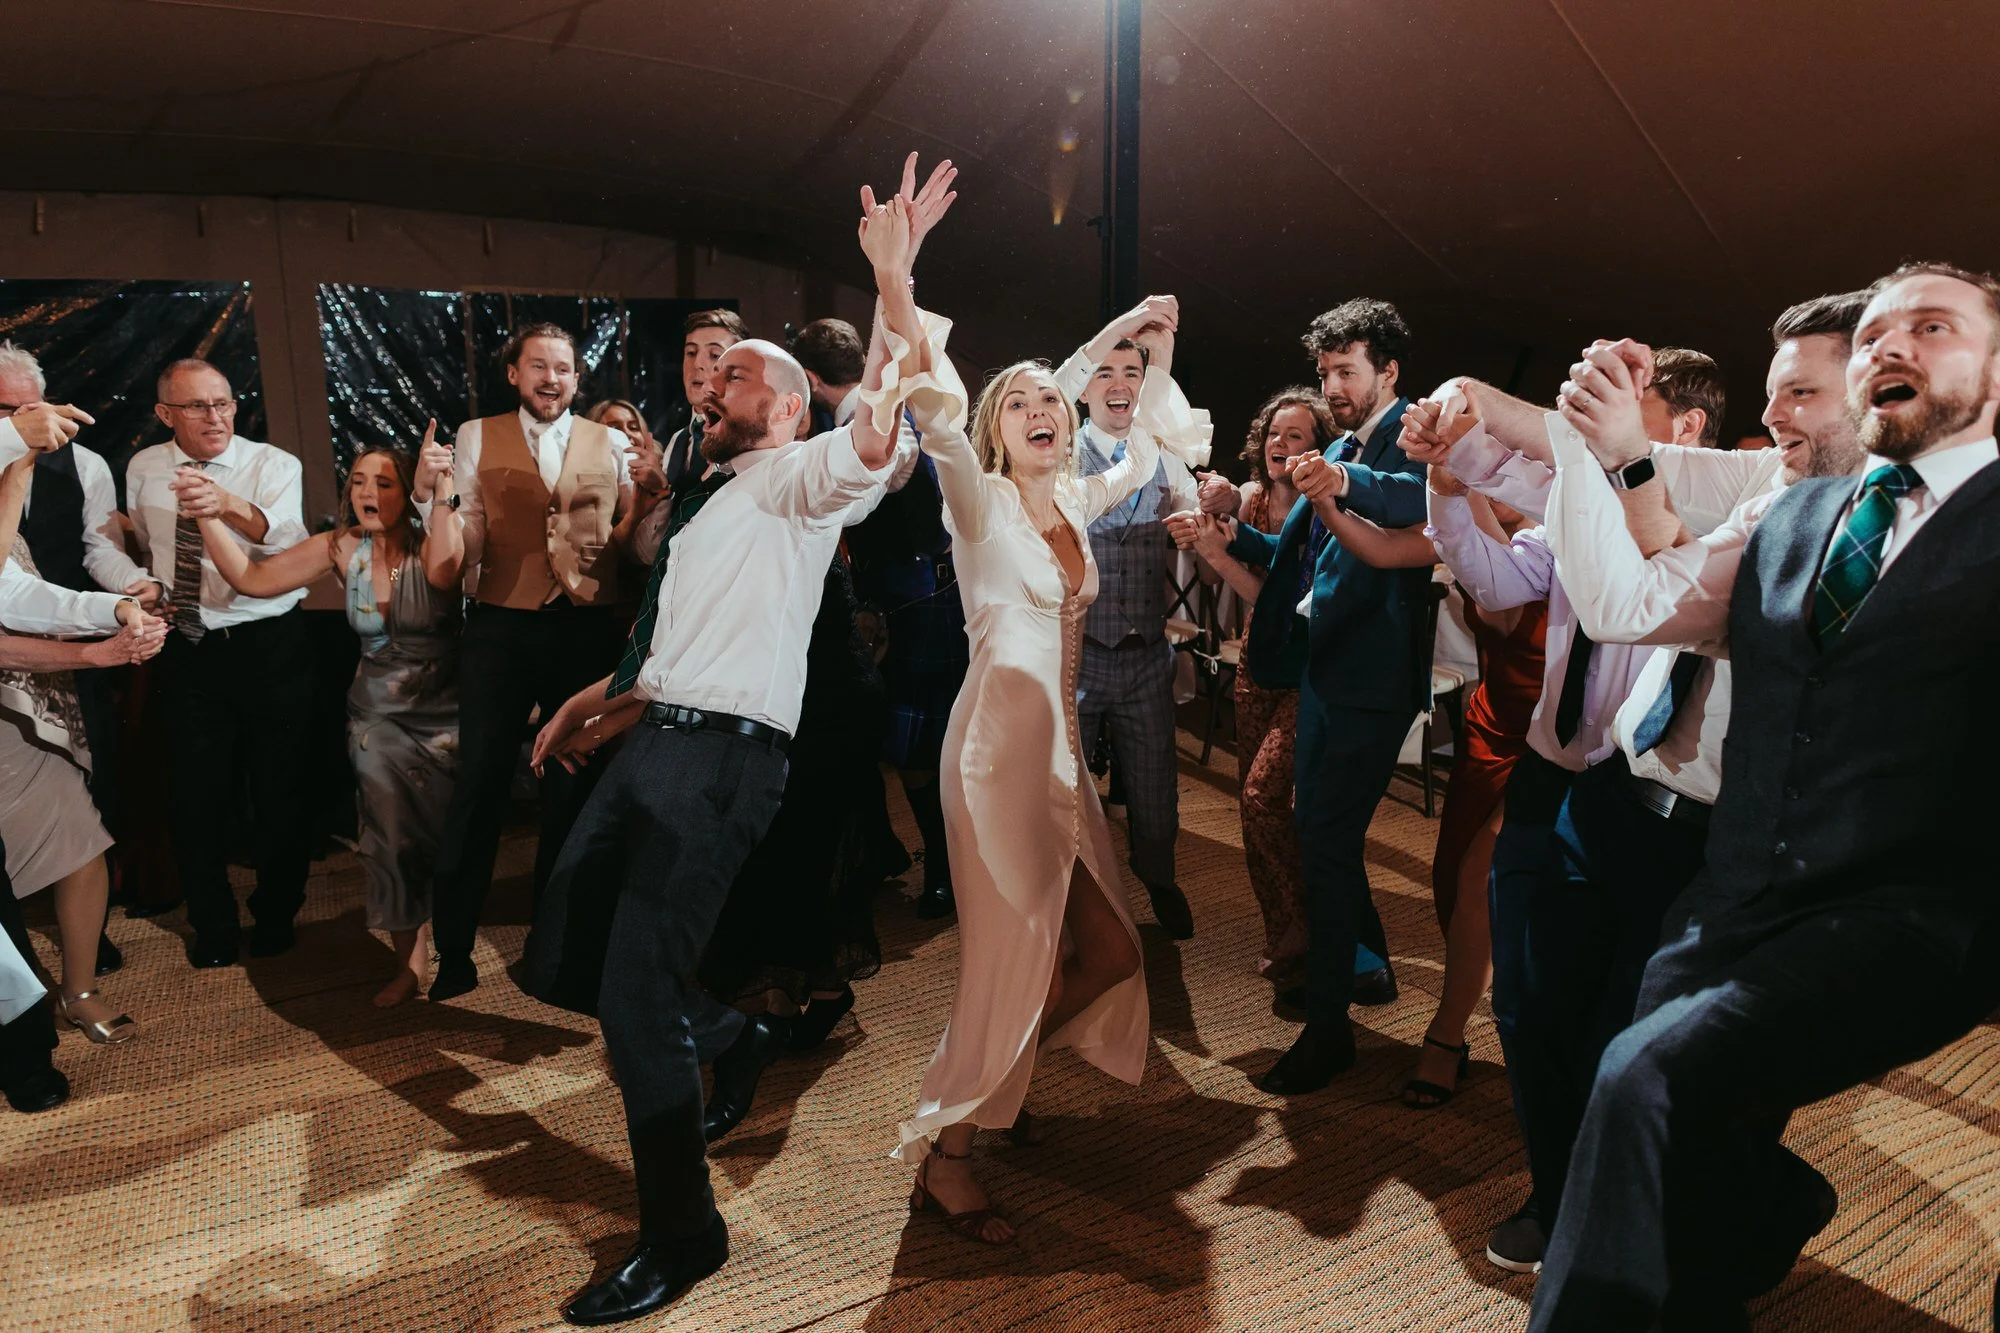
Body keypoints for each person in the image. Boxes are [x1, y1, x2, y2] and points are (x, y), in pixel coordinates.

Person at [515, 168, 951, 1326]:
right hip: (653, 740)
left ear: (791, 406)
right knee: (566, 958)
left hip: (722, 769)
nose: (714, 382)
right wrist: (586, 703)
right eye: (712, 372)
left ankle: (684, 1234)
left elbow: (882, 419)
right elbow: (666, 657)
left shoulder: (806, 481)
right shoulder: (711, 507)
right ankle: (743, 1028)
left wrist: (891, 278)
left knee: (634, 994)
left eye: (742, 373)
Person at [1528, 263, 2000, 1330]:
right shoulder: (1790, 514)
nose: (1893, 346)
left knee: (1643, 1080)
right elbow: (1639, 599)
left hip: (1904, 917)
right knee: (1679, 1156)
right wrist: (1581, 438)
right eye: (1877, 331)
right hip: (1725, 899)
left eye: (1932, 326)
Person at [891, 302, 1207, 1243]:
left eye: (1050, 402)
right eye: (1019, 402)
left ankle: (1000, 1086)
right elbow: (941, 418)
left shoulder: (1075, 497)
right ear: (996, 428)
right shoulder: (977, 503)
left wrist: (1154, 343)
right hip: (995, 760)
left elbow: (1144, 443)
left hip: (1059, 759)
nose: (1043, 408)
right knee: (1008, 962)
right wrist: (897, 281)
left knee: (1110, 951)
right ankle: (948, 1159)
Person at [1198, 299, 1431, 1095]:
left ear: (1388, 371)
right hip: (1321, 670)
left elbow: (1409, 504)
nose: (1333, 385)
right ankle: (1348, 988)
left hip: (1371, 678)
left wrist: (1342, 478)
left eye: (1347, 370)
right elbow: (1293, 555)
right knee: (1321, 835)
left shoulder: (1413, 434)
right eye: (1327, 371)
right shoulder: (1337, 444)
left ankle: (1331, 1023)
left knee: (1323, 835)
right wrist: (1231, 527)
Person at [197, 429, 467, 1005]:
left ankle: (458, 948)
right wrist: (206, 517)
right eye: (359, 482)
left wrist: (441, 485)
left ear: (407, 490)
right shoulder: (341, 547)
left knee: (451, 841)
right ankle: (410, 967)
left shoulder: (436, 537)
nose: (368, 492)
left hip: (451, 714)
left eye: (384, 482)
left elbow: (445, 573)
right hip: (378, 719)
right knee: (390, 840)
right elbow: (253, 578)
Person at [418, 324, 647, 1002]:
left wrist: (648, 500)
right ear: (514, 373)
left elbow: (627, 536)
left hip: (585, 629)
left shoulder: (609, 442)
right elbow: (463, 547)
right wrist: (436, 498)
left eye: (565, 368)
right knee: (480, 785)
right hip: (501, 626)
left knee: (572, 789)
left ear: (578, 379)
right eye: (539, 366)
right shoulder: (475, 435)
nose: (552, 378)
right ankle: (454, 950)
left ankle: (559, 949)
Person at [1043, 300, 1222, 940]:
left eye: (1132, 372)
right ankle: (1067, 903)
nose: (1119, 384)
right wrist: (1125, 327)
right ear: (1084, 387)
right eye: (1106, 372)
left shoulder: (1162, 453)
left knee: (1154, 792)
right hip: (1075, 655)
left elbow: (1196, 512)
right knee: (1063, 790)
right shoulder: (1056, 457)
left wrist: (1200, 517)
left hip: (1147, 657)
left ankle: (1160, 879)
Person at [127, 359, 313, 968]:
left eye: (225, 403)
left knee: (279, 791)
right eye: (198, 407)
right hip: (188, 646)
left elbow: (283, 540)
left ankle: (277, 914)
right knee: (196, 797)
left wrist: (224, 503)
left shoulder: (273, 464)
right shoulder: (144, 467)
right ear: (165, 415)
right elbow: (141, 546)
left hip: (267, 646)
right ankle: (211, 925)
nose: (216, 417)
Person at [0, 435, 165, 1049]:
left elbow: (19, 595)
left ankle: (79, 988)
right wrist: (98, 652)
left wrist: (117, 607)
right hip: (18, 678)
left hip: (20, 704)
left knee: (79, 833)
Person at [1178, 388, 1330, 994]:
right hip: (1256, 667)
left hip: (1308, 672)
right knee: (1251, 807)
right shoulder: (1255, 500)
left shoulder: (1328, 510)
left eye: (1295, 436)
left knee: (1268, 798)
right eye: (1273, 433)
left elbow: (1287, 605)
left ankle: (1309, 923)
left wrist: (1217, 549)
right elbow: (1236, 582)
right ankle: (1281, 929)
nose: (1279, 444)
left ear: (1321, 449)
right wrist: (1213, 535)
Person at [661, 310, 751, 490]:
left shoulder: (747, 438)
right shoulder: (678, 441)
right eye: (691, 352)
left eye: (714, 355)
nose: (697, 364)